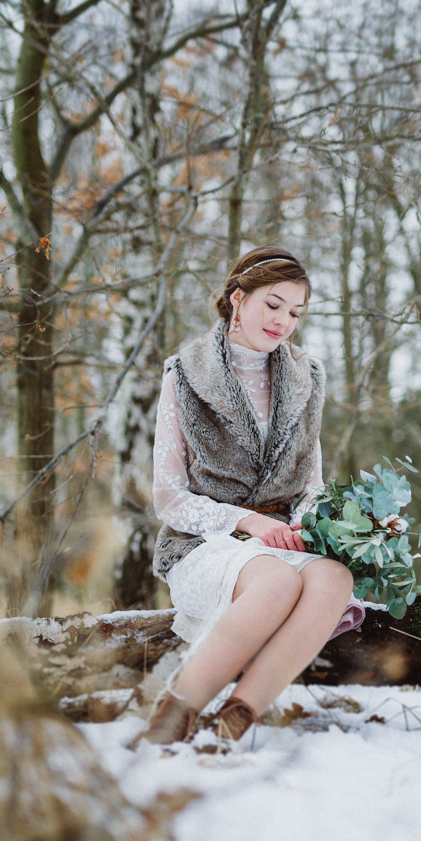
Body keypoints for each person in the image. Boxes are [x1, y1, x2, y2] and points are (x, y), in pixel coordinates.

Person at [142, 246, 354, 746]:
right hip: (203, 543)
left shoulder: (308, 378)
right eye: (274, 305)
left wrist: (310, 521)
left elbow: (310, 484)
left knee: (334, 579)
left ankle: (237, 717)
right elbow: (168, 497)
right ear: (238, 299)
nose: (284, 321)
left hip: (281, 540)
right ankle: (173, 714)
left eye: (296, 313)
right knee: (277, 582)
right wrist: (248, 522)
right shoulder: (186, 372)